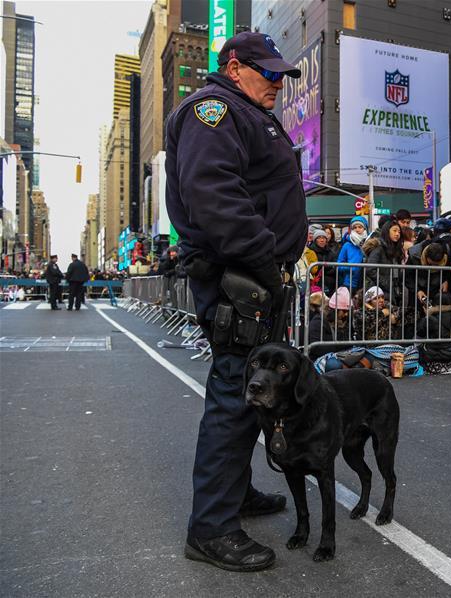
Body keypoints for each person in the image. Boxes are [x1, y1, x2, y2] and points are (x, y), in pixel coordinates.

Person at [164, 31, 306, 572]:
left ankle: (236, 495)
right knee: (234, 394)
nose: (277, 83)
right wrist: (267, 263)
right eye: (267, 73)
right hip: (240, 279)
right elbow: (215, 197)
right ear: (234, 65)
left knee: (251, 392)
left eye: (282, 76)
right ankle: (211, 529)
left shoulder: (243, 112)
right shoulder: (214, 112)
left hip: (252, 277)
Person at [337, 216, 369, 292]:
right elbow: (338, 265)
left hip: (366, 283)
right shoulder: (347, 245)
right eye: (355, 227)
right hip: (350, 283)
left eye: (360, 227)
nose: (357, 229)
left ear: (365, 229)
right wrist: (351, 268)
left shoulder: (370, 243)